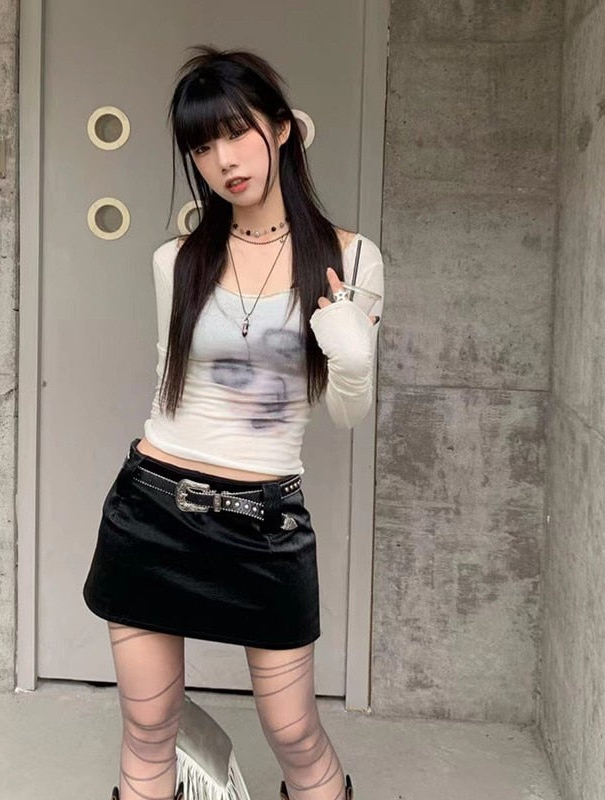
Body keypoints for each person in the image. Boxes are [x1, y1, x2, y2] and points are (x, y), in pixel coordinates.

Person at [83, 44, 384, 800]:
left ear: (282, 128)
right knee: (148, 727)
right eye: (202, 146)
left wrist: (352, 357)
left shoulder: (350, 259)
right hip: (154, 509)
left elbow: (348, 413)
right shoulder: (177, 260)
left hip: (266, 524)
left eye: (237, 132)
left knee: (294, 732)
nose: (223, 160)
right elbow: (171, 387)